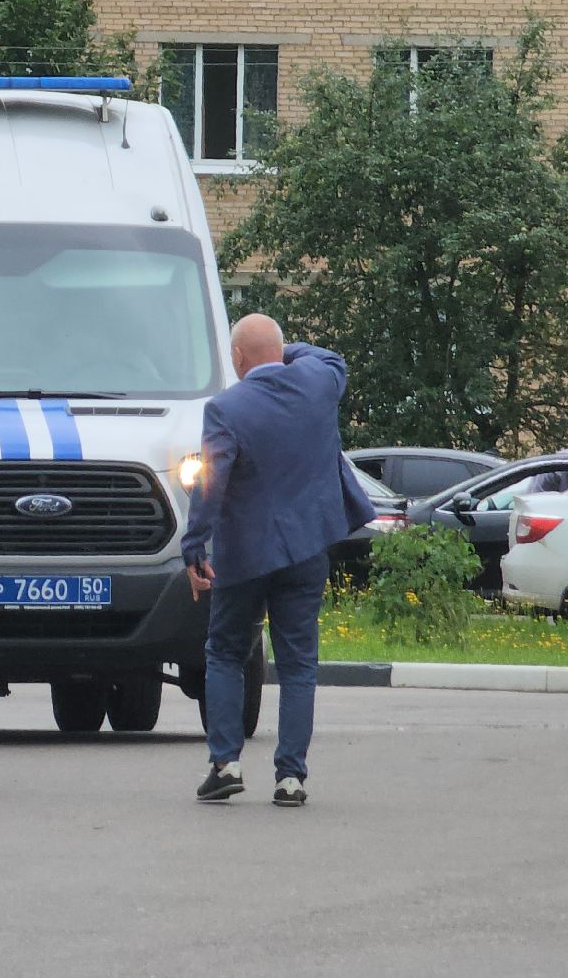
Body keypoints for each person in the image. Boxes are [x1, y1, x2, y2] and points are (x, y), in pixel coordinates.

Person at [180, 314, 375, 807]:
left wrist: (194, 547)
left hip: (244, 555)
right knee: (298, 664)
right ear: (281, 351)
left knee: (225, 652)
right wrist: (285, 353)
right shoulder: (319, 383)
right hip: (308, 547)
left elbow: (211, 482)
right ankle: (291, 779)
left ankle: (225, 765)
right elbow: (327, 356)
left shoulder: (226, 407)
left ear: (238, 358)